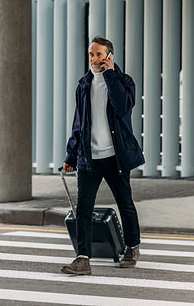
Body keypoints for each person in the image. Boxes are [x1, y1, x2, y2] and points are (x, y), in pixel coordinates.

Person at [61, 36, 145, 275]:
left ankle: (132, 247)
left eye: (99, 54)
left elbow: (122, 107)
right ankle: (83, 258)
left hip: (114, 157)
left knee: (125, 204)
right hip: (90, 158)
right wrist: (71, 155)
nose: (94, 59)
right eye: (91, 55)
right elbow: (79, 122)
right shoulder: (84, 84)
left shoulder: (124, 81)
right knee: (83, 209)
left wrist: (109, 76)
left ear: (110, 56)